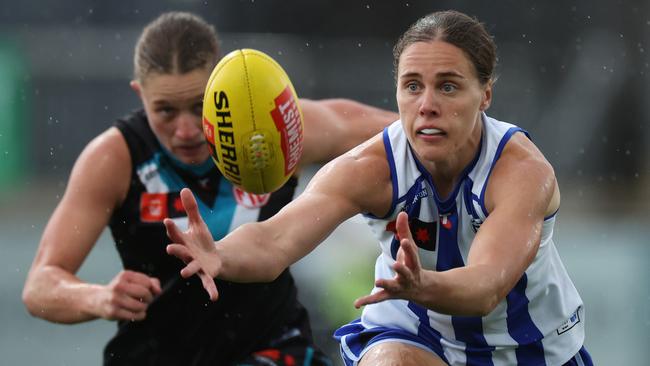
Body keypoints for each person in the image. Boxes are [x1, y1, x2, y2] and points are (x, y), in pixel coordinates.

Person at [163, 10, 594, 366]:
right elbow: (276, 239)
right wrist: (222, 253)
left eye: (447, 86)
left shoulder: (522, 172)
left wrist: (422, 286)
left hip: (535, 353)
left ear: (485, 95)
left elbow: (485, 287)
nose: (427, 104)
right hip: (416, 340)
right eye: (412, 86)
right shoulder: (372, 166)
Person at [21, 11, 399, 366]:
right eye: (166, 110)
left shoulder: (279, 130)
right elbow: (40, 285)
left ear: (222, 84)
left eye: (199, 106)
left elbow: (406, 137)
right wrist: (98, 297)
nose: (185, 130)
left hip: (273, 347)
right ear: (140, 94)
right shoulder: (114, 158)